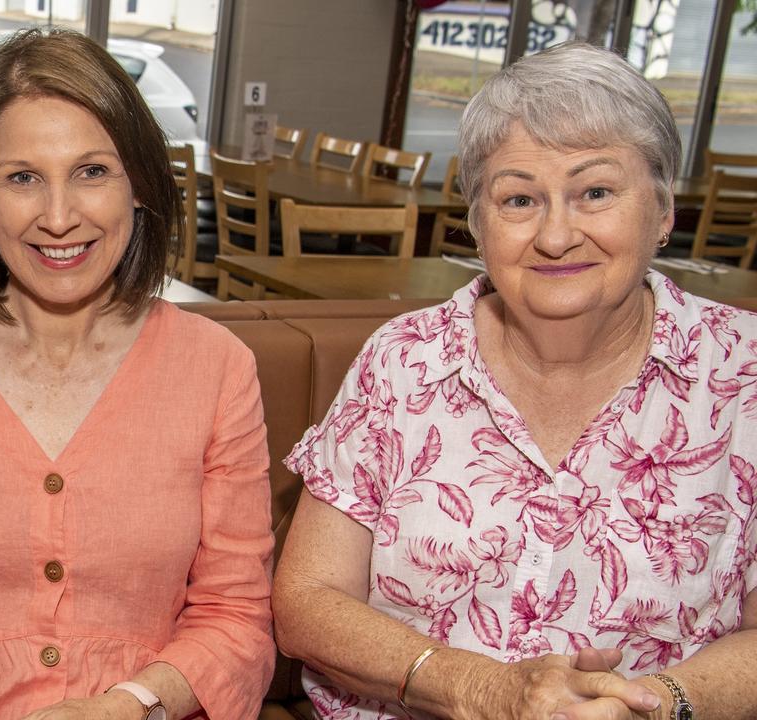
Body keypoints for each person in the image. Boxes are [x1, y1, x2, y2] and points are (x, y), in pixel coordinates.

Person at [273, 42, 757, 720]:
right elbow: (306, 602)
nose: (556, 236)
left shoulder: (744, 375)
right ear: (477, 225)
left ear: (663, 210)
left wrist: (654, 703)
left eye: (596, 192)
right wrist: (480, 688)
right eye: (519, 199)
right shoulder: (405, 360)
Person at [0, 28, 275, 720]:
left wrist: (129, 704)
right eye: (23, 178)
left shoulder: (218, 369)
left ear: (137, 183)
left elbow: (237, 615)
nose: (57, 217)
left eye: (91, 172)